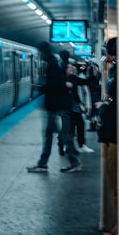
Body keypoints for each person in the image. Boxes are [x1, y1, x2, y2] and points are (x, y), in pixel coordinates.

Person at [28, 42, 82, 173]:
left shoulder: (52, 65)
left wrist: (40, 88)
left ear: (43, 51)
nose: (39, 55)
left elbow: (56, 86)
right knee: (51, 135)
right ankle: (43, 163)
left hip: (58, 106)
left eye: (40, 52)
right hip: (55, 105)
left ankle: (74, 161)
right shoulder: (54, 63)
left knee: (62, 135)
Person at [99, 37, 119, 235]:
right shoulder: (116, 70)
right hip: (112, 133)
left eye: (107, 51)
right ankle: (116, 229)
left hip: (117, 134)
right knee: (114, 186)